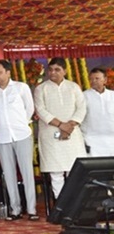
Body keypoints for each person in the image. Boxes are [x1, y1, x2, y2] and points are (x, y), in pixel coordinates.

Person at [0, 60, 38, 221]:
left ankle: (32, 209)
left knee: (27, 172)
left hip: (22, 134)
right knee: (8, 174)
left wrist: (21, 123)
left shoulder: (21, 87)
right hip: (3, 137)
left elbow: (29, 108)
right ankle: (15, 209)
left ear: (8, 72)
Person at [34, 57, 87, 198]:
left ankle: (74, 205)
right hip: (51, 134)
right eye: (50, 70)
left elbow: (82, 108)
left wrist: (69, 126)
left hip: (72, 133)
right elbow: (41, 111)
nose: (53, 73)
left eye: (57, 70)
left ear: (65, 71)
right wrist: (61, 125)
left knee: (73, 170)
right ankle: (60, 204)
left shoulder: (73, 87)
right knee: (55, 173)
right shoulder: (41, 89)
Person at [82, 67, 114, 157]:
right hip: (91, 140)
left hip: (112, 139)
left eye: (97, 78)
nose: (93, 81)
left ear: (105, 80)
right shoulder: (83, 96)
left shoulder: (112, 95)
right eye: (91, 79)